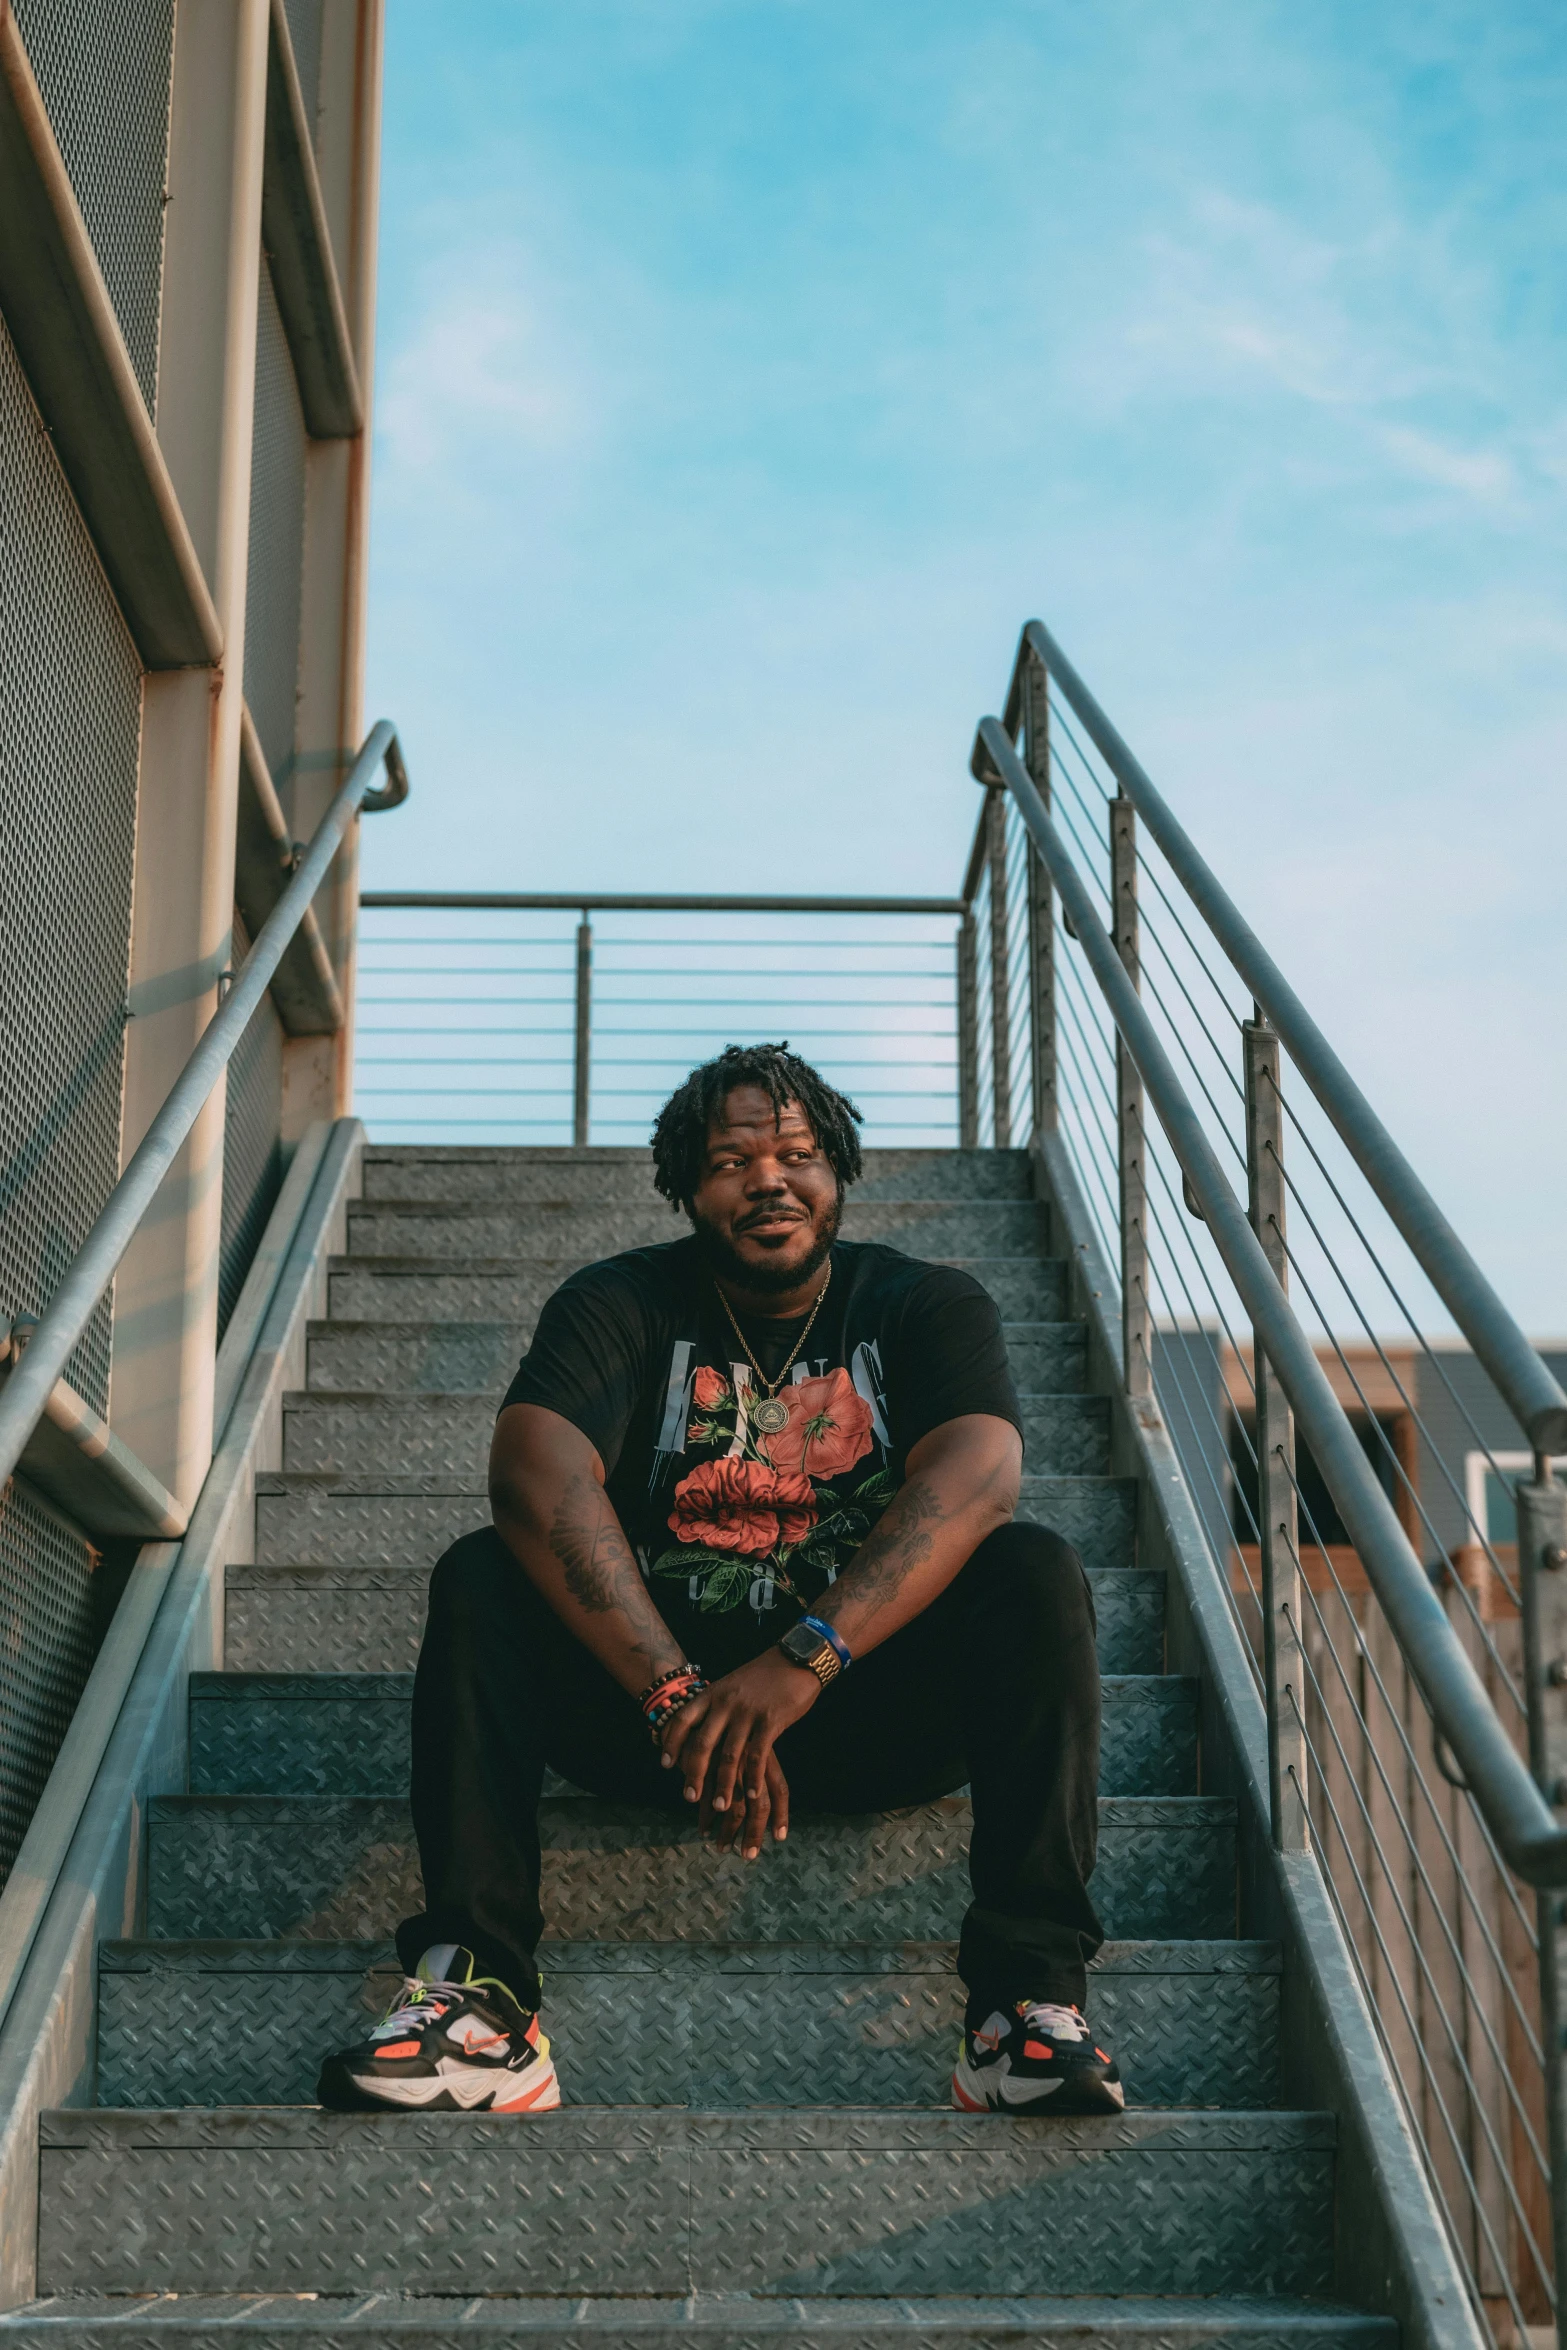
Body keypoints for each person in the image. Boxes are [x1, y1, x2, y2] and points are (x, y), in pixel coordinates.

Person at [317, 1043, 1119, 2117]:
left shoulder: (924, 1302)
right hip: (664, 1729)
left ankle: (1020, 2008)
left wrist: (801, 1661)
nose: (768, 1179)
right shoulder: (622, 1303)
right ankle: (485, 2003)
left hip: (871, 1711)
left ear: (837, 1171)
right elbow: (531, 1471)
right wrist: (674, 1690)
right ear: (688, 1187)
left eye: (795, 1153)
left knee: (1032, 1570)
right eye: (733, 1160)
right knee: (482, 1574)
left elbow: (978, 1477)